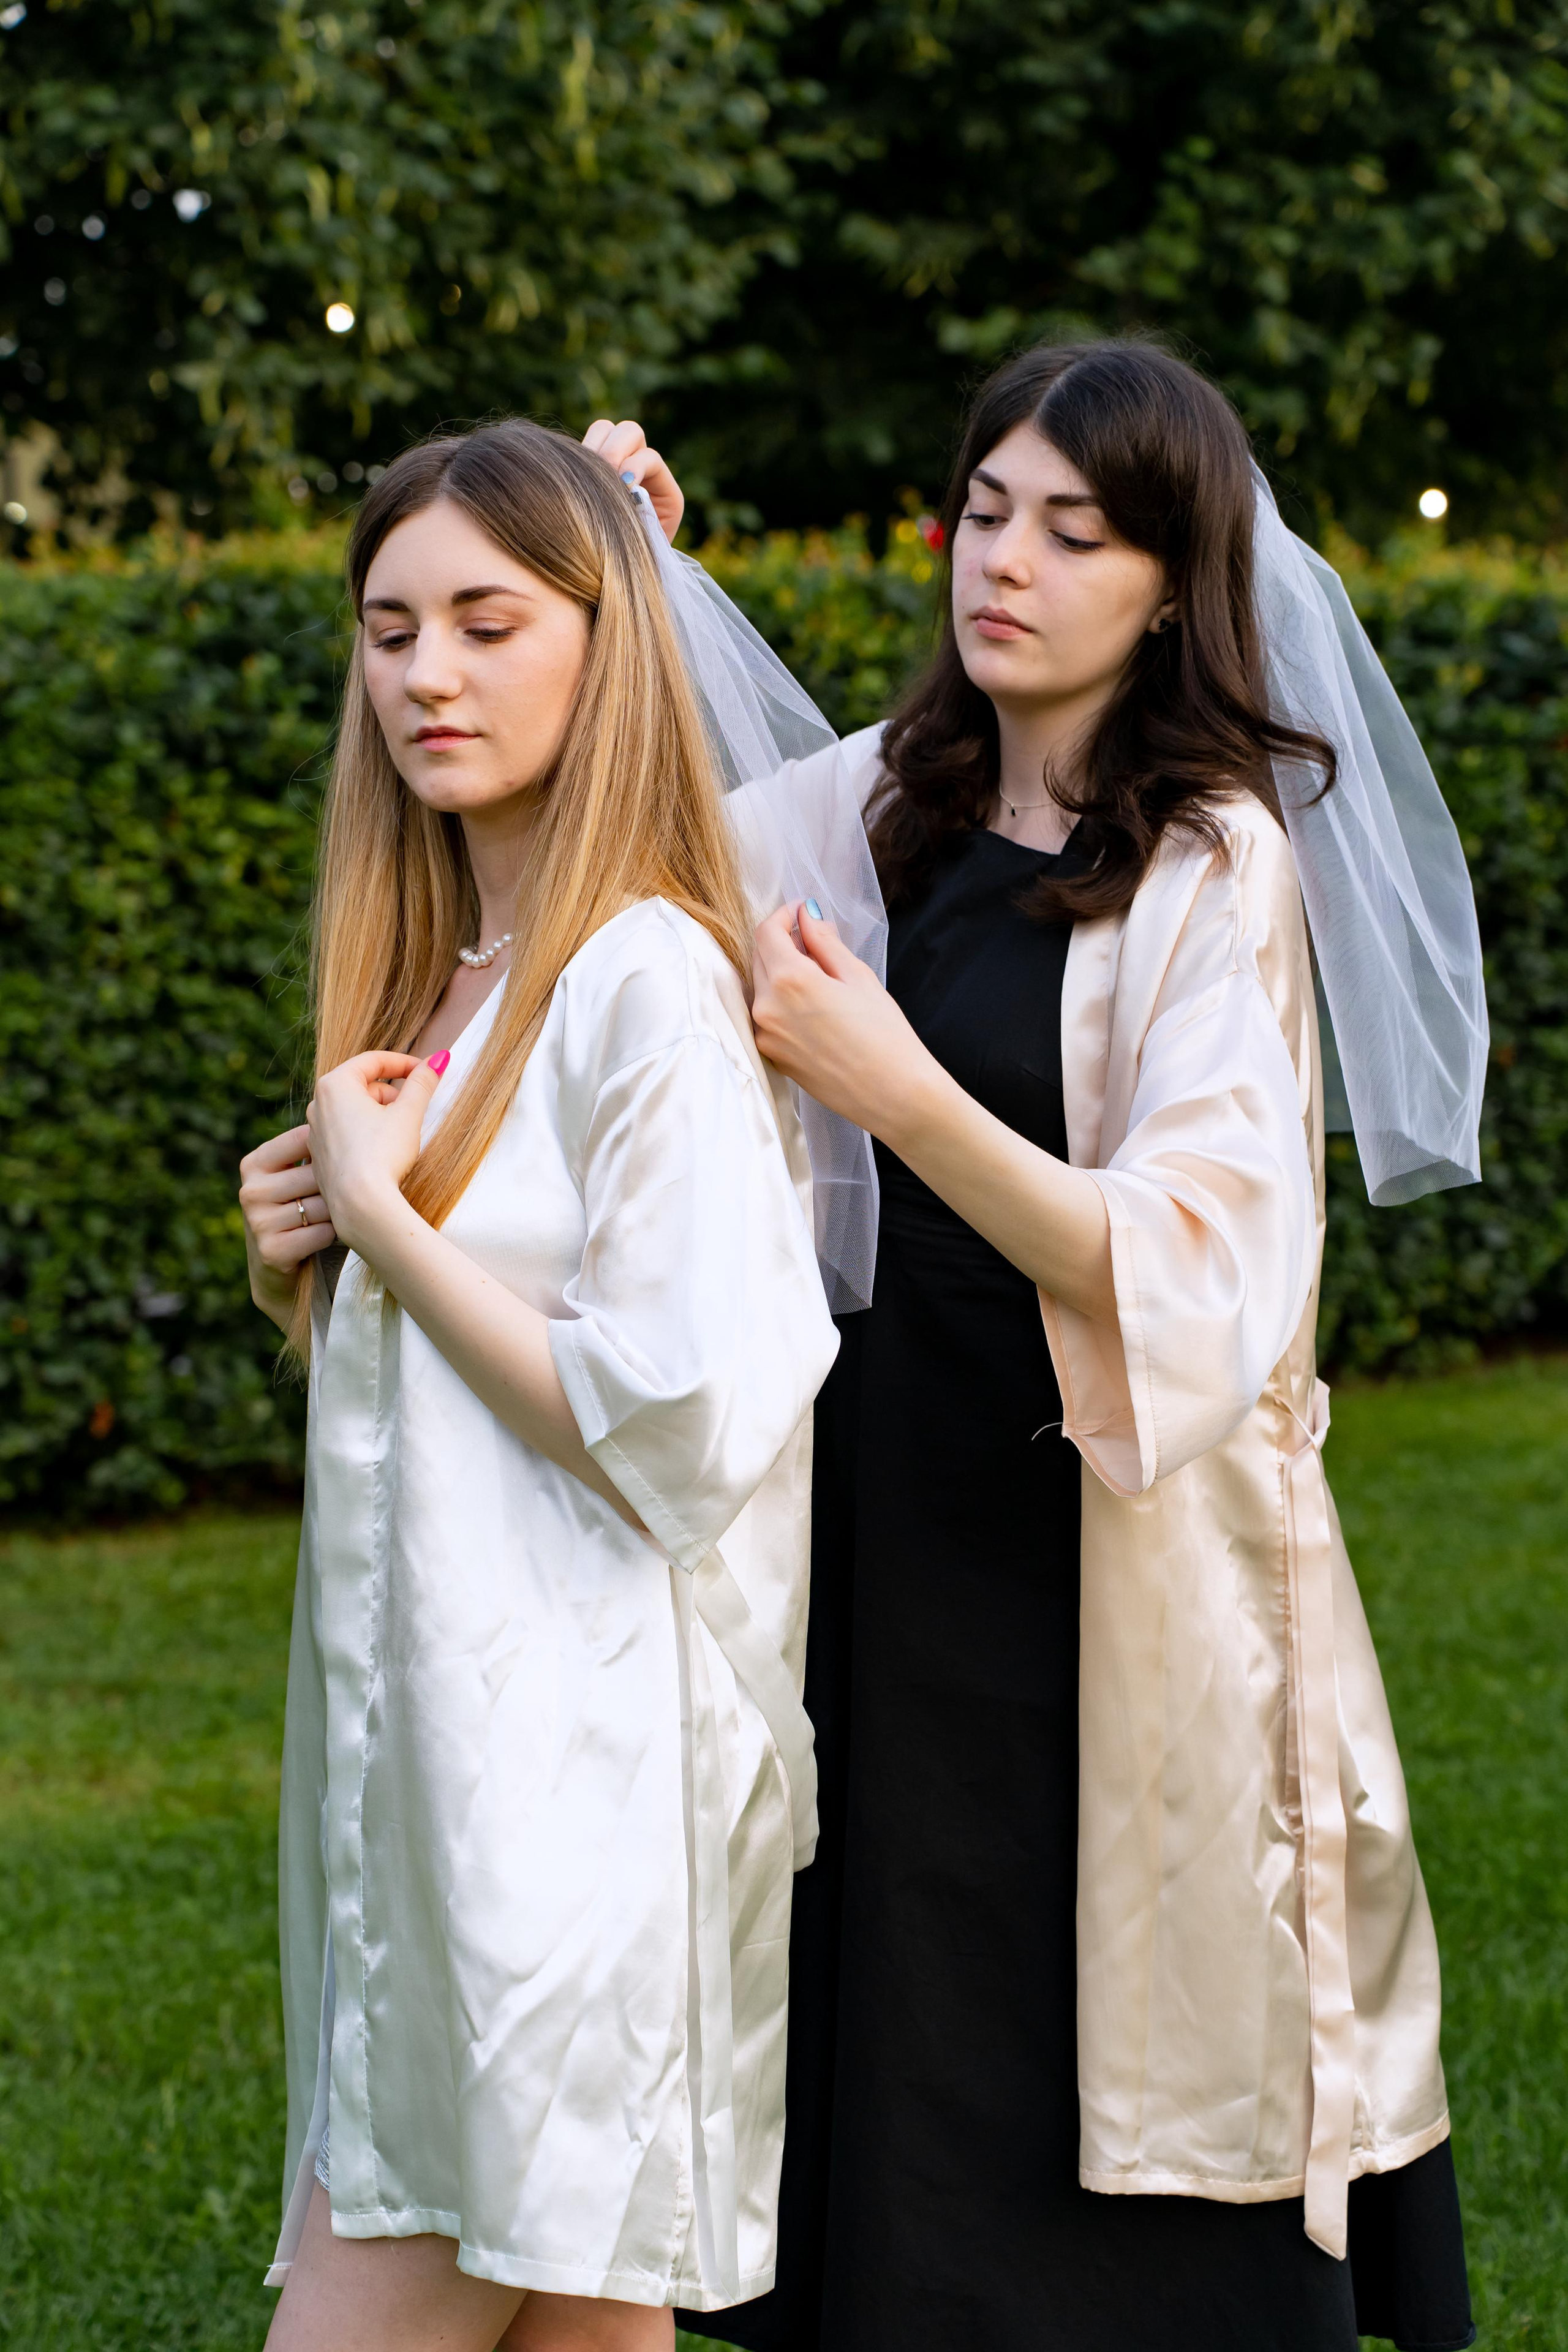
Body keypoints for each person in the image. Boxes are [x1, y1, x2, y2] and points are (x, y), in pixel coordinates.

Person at [606, 341, 1484, 2350]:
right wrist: (624, 573)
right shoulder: (881, 807)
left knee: (1110, 2049)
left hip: (1108, 1556)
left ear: (1172, 580)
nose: (1005, 561)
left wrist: (898, 1088)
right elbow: (646, 846)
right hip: (886, 1536)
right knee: (902, 2028)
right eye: (985, 511)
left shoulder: (1212, 863)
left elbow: (1194, 1266)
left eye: (1074, 531)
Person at [236, 419, 845, 2352]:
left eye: (490, 622)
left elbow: (668, 1421)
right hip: (441, 1776)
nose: (426, 674)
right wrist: (311, 1272)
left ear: (607, 635)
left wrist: (384, 1224)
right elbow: (437, 1422)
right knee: (586, 2329)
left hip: (567, 1815)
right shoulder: (456, 979)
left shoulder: (645, 980)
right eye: (389, 625)